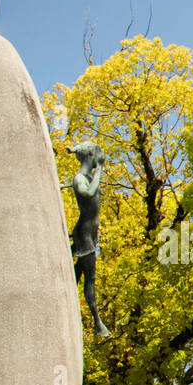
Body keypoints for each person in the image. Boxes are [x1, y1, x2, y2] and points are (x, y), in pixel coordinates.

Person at [62, 141, 110, 337]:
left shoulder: (85, 177)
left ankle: (62, 301)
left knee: (77, 275)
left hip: (89, 234)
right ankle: (97, 322)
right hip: (84, 236)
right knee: (89, 278)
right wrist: (99, 173)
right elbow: (87, 193)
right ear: (91, 156)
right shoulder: (80, 178)